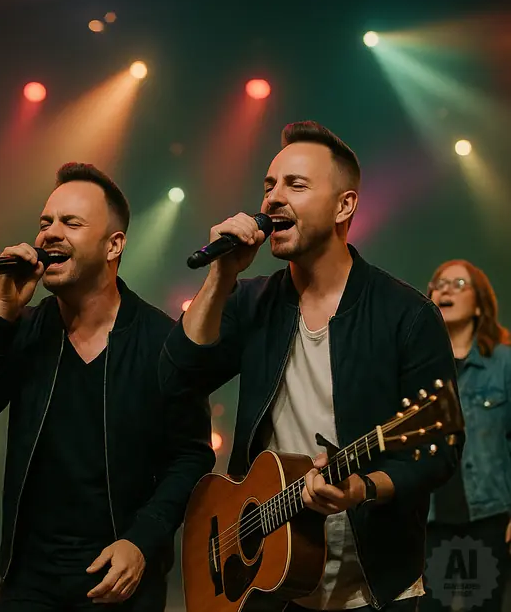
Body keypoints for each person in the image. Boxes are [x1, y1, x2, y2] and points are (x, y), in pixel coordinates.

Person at [159, 121, 458, 611]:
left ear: (345, 206)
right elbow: (174, 381)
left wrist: (361, 488)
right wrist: (221, 275)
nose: (274, 199)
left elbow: (438, 450)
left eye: (296, 185)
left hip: (375, 588)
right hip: (266, 578)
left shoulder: (407, 314)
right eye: (269, 185)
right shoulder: (252, 301)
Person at [0, 162, 216, 611]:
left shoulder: (162, 341)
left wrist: (142, 540)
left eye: (71, 223)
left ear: (114, 245)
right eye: (45, 222)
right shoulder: (25, 330)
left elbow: (191, 455)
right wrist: (3, 313)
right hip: (29, 581)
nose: (49, 234)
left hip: (119, 580)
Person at [422, 260, 511, 612]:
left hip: (489, 520)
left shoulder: (503, 363)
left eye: (458, 283)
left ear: (479, 304)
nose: (444, 289)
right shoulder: (418, 366)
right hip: (429, 523)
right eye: (438, 283)